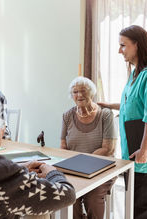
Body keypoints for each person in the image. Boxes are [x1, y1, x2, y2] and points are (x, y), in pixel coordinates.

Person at [99, 25, 147, 219]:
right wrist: (106, 105)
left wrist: (145, 150)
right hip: (134, 150)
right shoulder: (135, 74)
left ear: (137, 45)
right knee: (137, 205)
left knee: (145, 209)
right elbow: (131, 106)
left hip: (146, 155)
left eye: (123, 45)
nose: (119, 50)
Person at [61, 76, 117, 219]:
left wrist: (84, 164)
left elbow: (108, 148)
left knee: (92, 196)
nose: (79, 95)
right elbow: (63, 146)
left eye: (83, 91)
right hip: (74, 169)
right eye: (75, 92)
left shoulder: (105, 114)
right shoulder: (67, 115)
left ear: (91, 92)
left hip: (102, 168)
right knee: (67, 193)